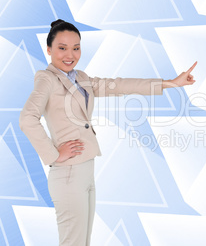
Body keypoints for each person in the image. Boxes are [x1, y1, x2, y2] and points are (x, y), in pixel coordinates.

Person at [19, 19, 196, 246]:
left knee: (82, 241)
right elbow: (27, 118)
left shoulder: (81, 78)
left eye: (76, 48)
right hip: (68, 174)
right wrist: (53, 155)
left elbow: (120, 85)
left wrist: (170, 83)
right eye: (62, 48)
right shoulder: (47, 79)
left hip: (85, 169)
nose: (70, 54)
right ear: (49, 49)